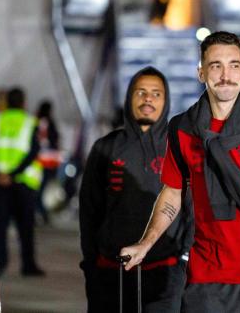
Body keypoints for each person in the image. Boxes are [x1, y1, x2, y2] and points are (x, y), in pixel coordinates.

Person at [121, 31, 240, 312]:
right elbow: (173, 193)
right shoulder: (183, 130)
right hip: (207, 276)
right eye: (215, 66)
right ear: (201, 73)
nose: (226, 75)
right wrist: (145, 243)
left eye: (234, 65)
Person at [79, 67, 191, 313]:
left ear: (166, 100)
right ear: (129, 97)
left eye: (155, 93)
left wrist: (183, 262)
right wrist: (91, 265)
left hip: (165, 274)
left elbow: (192, 210)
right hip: (110, 272)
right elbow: (89, 211)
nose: (148, 99)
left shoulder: (179, 149)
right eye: (140, 92)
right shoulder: (105, 148)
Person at [0, 87, 45, 276]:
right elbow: (33, 151)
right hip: (22, 183)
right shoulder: (30, 122)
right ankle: (28, 264)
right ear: (24, 102)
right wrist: (13, 174)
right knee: (26, 227)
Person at [35, 100, 60, 224]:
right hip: (48, 161)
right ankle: (43, 213)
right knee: (43, 189)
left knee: (38, 188)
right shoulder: (50, 123)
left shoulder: (35, 121)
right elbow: (55, 141)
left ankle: (39, 212)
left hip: (37, 160)